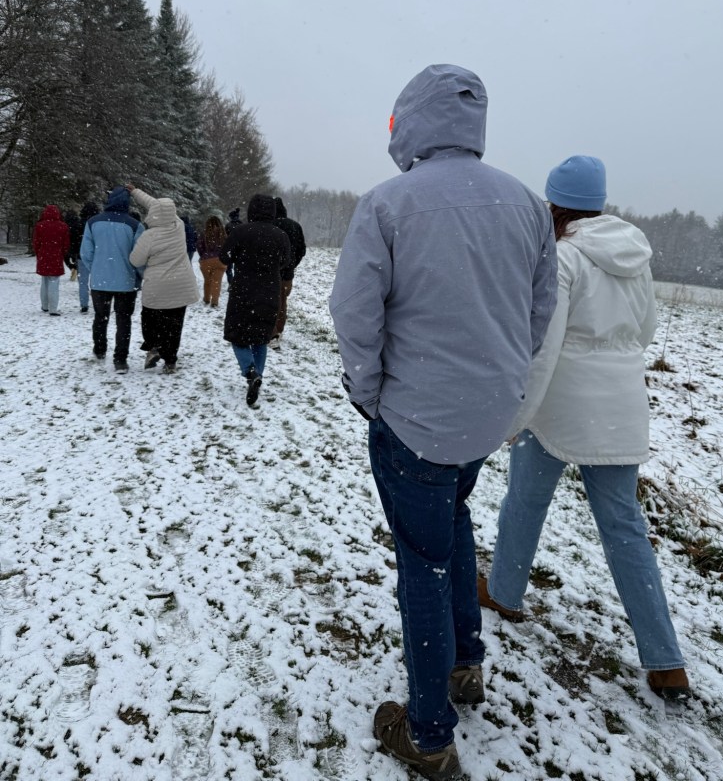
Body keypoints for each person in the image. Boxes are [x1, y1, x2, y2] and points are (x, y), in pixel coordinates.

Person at [329, 65, 558, 780]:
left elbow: (354, 312)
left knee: (421, 560)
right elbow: (539, 312)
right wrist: (501, 382)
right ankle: (465, 662)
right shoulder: (526, 204)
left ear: (411, 122)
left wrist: (367, 391)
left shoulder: (389, 203)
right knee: (452, 523)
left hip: (414, 419)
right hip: (486, 416)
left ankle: (428, 735)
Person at [483, 155, 690, 704]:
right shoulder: (635, 255)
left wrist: (515, 418)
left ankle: (504, 593)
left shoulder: (563, 256)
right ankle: (666, 660)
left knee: (524, 502)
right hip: (622, 406)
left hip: (559, 407)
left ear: (555, 205)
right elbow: (645, 331)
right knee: (625, 529)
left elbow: (544, 348)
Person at [219, 194, 290, 406]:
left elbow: (224, 256)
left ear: (251, 210)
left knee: (237, 335)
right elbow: (286, 261)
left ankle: (250, 372)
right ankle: (257, 374)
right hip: (269, 291)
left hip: (243, 291)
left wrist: (241, 258)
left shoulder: (240, 232)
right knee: (260, 338)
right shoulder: (280, 235)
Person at [126, 185, 199, 373]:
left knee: (150, 320)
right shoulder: (178, 226)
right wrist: (136, 192)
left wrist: (134, 192)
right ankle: (170, 361)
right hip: (181, 285)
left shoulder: (149, 236)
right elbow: (157, 206)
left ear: (154, 214)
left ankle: (155, 346)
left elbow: (135, 260)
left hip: (157, 287)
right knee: (175, 325)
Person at [80, 187, 144, 372]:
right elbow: (139, 256)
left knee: (101, 317)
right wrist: (139, 274)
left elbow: (86, 253)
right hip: (126, 280)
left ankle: (100, 349)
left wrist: (97, 268)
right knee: (124, 320)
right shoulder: (134, 225)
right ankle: (120, 359)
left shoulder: (93, 222)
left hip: (100, 280)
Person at [270, 197, 307, 348]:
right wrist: (292, 264)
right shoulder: (295, 226)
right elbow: (302, 250)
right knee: (282, 301)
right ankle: (279, 330)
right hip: (288, 274)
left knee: (270, 301)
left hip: (270, 271)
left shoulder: (269, 226)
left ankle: (272, 333)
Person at [32, 205, 70, 316]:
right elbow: (66, 244)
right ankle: (53, 308)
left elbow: (36, 243)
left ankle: (45, 306)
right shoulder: (63, 226)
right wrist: (61, 253)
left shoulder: (40, 226)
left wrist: (39, 254)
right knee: (54, 282)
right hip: (56, 257)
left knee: (44, 282)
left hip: (44, 256)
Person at [74, 201, 100, 311]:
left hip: (81, 256)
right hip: (97, 256)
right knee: (97, 281)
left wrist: (74, 253)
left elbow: (75, 241)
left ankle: (84, 304)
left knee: (83, 282)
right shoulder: (98, 224)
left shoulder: (79, 223)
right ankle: (98, 304)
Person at [196, 214, 227, 308]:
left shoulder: (204, 233)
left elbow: (199, 246)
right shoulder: (223, 233)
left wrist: (204, 256)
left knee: (207, 281)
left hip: (206, 260)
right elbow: (226, 246)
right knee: (217, 281)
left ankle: (206, 298)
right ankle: (214, 301)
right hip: (220, 260)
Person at [224, 208, 242, 287]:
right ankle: (237, 283)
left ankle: (231, 283)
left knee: (229, 268)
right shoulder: (243, 225)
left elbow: (225, 237)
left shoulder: (228, 225)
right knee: (238, 268)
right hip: (241, 249)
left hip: (230, 249)